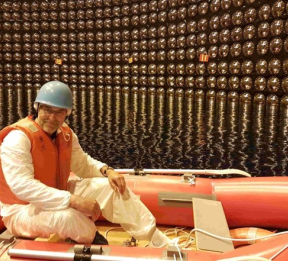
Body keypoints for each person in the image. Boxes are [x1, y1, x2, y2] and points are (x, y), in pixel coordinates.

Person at [0, 81, 170, 247]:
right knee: (69, 217)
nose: (52, 117)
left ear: (67, 113)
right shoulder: (18, 138)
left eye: (59, 112)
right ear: (38, 107)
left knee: (113, 187)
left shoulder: (66, 134)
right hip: (20, 211)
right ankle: (91, 237)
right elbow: (22, 186)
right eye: (47, 110)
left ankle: (158, 241)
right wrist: (73, 200)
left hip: (58, 193)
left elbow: (83, 164)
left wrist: (107, 170)